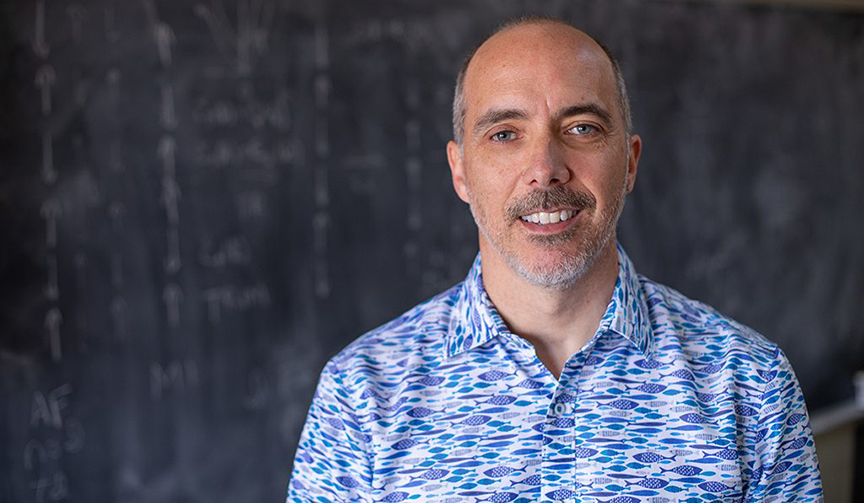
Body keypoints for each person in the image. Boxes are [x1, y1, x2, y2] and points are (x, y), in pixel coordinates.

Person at [287, 16, 822, 502]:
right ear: (461, 173)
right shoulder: (361, 395)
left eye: (581, 128)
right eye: (504, 134)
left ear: (630, 163)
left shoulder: (750, 384)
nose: (545, 168)